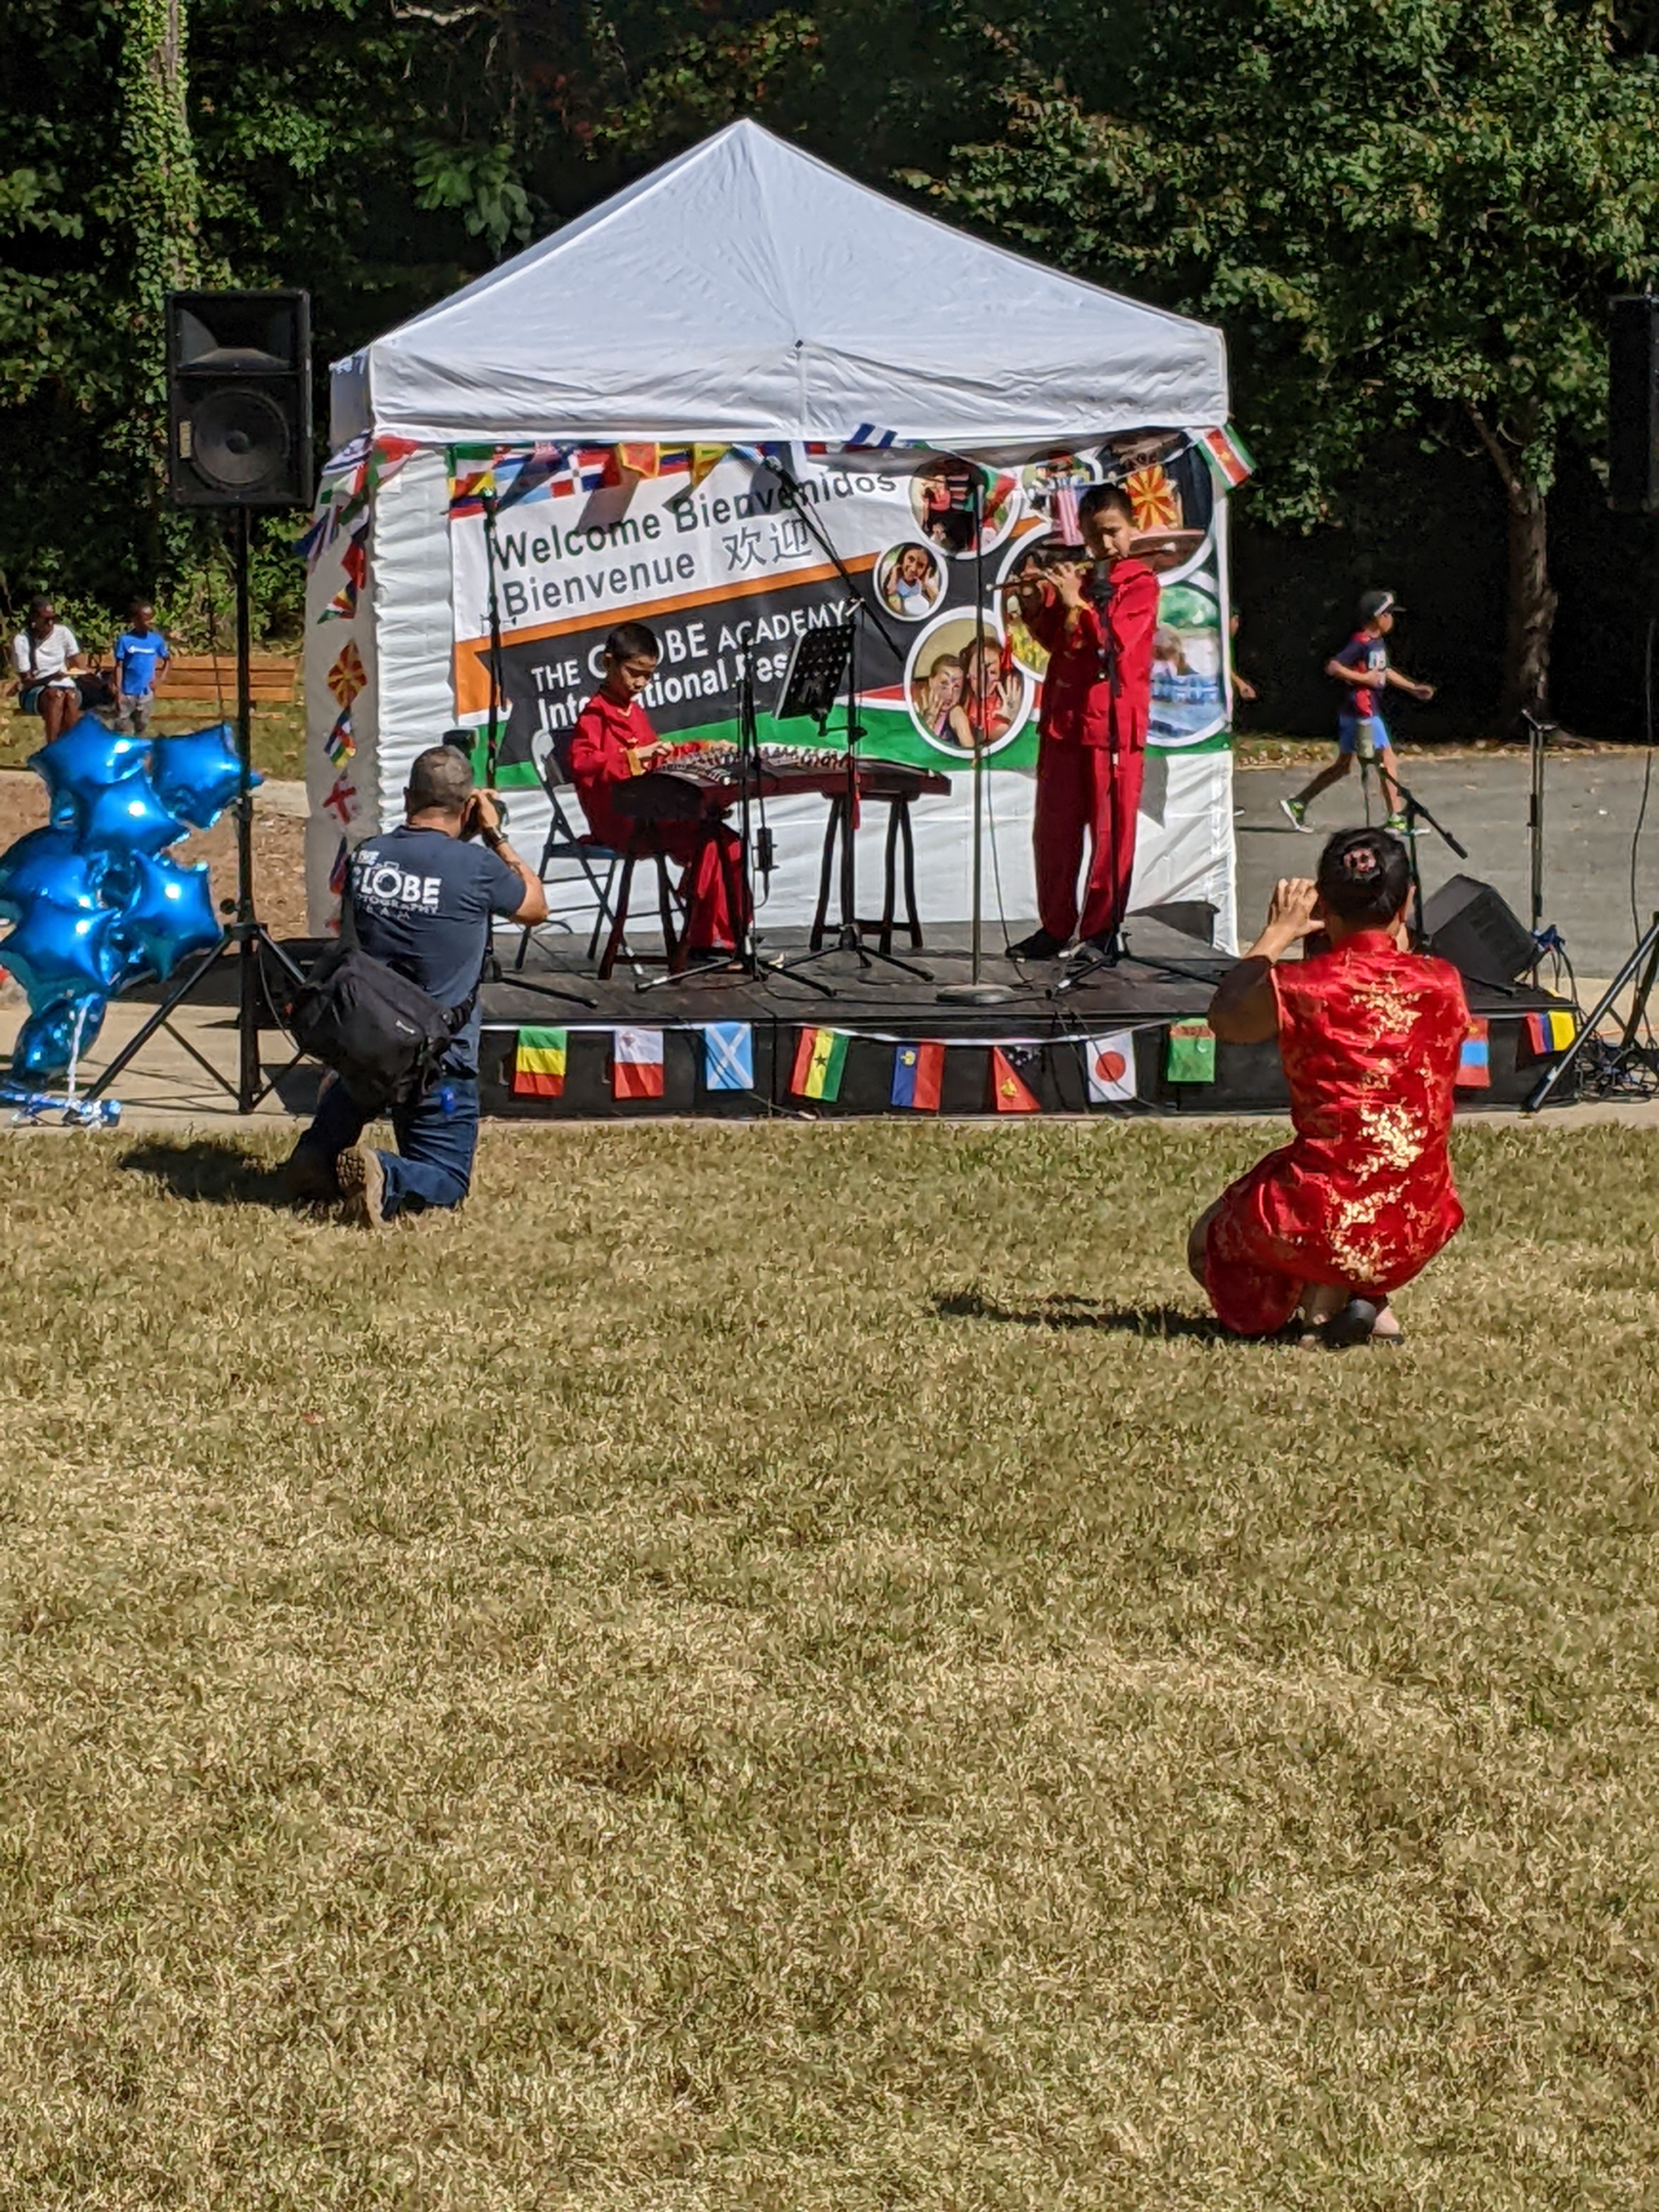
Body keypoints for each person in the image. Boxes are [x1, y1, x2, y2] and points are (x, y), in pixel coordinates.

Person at [1189, 828, 1469, 1345]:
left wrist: (1277, 934)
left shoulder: (1302, 988)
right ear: (1407, 900)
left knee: (1206, 1244)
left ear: (1323, 903)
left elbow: (1226, 1020)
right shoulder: (1444, 983)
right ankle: (1368, 1298)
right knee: (1337, 1178)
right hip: (1419, 1220)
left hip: (1324, 1215)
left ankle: (1324, 1303)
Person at [284, 746, 547, 1227]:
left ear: (408, 797)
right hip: (436, 1058)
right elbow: (534, 907)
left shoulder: (367, 858)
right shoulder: (478, 867)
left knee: (356, 1090)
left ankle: (318, 1154)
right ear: (468, 806)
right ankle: (387, 1173)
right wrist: (493, 834)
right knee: (447, 1180)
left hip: (364, 1043)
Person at [1003, 483, 1159, 961]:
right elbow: (1062, 643)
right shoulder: (1086, 582)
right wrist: (1035, 602)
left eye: (1113, 532)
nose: (1105, 545)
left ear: (1133, 530)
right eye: (1095, 536)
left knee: (1111, 835)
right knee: (1053, 832)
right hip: (1065, 723)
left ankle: (1100, 932)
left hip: (1112, 727)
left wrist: (1075, 601)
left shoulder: (1141, 584)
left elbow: (1111, 646)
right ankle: (1055, 926)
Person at [567, 621, 745, 956]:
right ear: (608, 663)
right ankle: (707, 938)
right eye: (635, 673)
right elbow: (583, 765)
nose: (641, 683)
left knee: (724, 840)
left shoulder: (632, 712)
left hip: (648, 813)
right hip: (621, 820)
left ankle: (721, 933)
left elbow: (658, 755)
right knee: (714, 840)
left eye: (649, 676)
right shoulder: (595, 715)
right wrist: (631, 757)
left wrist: (702, 748)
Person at [1280, 590, 1434, 835]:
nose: (1392, 620)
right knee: (1387, 760)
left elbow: (1384, 672)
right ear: (1378, 617)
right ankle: (1396, 819)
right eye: (1389, 615)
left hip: (1359, 712)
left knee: (1344, 766)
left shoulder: (1376, 644)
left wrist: (1412, 688)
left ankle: (1298, 803)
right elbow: (1333, 667)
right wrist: (1364, 678)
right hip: (1362, 710)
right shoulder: (1360, 642)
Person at [9, 596, 84, 742]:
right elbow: (27, 681)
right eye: (45, 620)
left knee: (70, 696)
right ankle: (53, 746)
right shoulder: (23, 640)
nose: (50, 624)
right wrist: (52, 677)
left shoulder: (63, 633)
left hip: (67, 686)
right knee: (55, 696)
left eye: (53, 619)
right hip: (36, 690)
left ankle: (71, 746)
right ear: (34, 619)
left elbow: (77, 664)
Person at [112, 597, 170, 735]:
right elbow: (119, 666)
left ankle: (140, 751)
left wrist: (160, 679)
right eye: (147, 619)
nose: (151, 623)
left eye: (152, 619)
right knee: (122, 725)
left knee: (142, 726)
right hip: (128, 692)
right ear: (136, 621)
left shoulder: (156, 641)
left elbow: (168, 660)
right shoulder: (126, 640)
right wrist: (119, 690)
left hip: (146, 693)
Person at [885, 544, 938, 618]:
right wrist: (894, 574)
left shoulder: (922, 585)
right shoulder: (895, 581)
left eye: (921, 565)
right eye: (910, 559)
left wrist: (927, 583)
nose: (913, 569)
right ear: (902, 559)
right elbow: (891, 593)